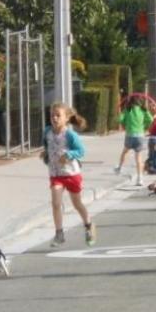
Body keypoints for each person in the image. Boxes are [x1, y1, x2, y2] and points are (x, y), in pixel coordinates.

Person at [42, 103, 97, 248]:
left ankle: (89, 226)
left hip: (71, 174)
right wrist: (45, 153)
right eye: (52, 115)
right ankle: (59, 234)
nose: (54, 118)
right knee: (56, 203)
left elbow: (81, 151)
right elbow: (46, 145)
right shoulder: (47, 131)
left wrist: (69, 154)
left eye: (58, 115)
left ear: (66, 118)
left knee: (77, 204)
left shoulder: (70, 135)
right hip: (55, 174)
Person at [114, 95, 153, 186]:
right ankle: (140, 178)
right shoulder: (143, 110)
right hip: (140, 135)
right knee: (139, 158)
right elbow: (151, 119)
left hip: (129, 135)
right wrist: (145, 126)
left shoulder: (128, 110)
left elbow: (119, 119)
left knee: (125, 152)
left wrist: (124, 122)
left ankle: (119, 168)